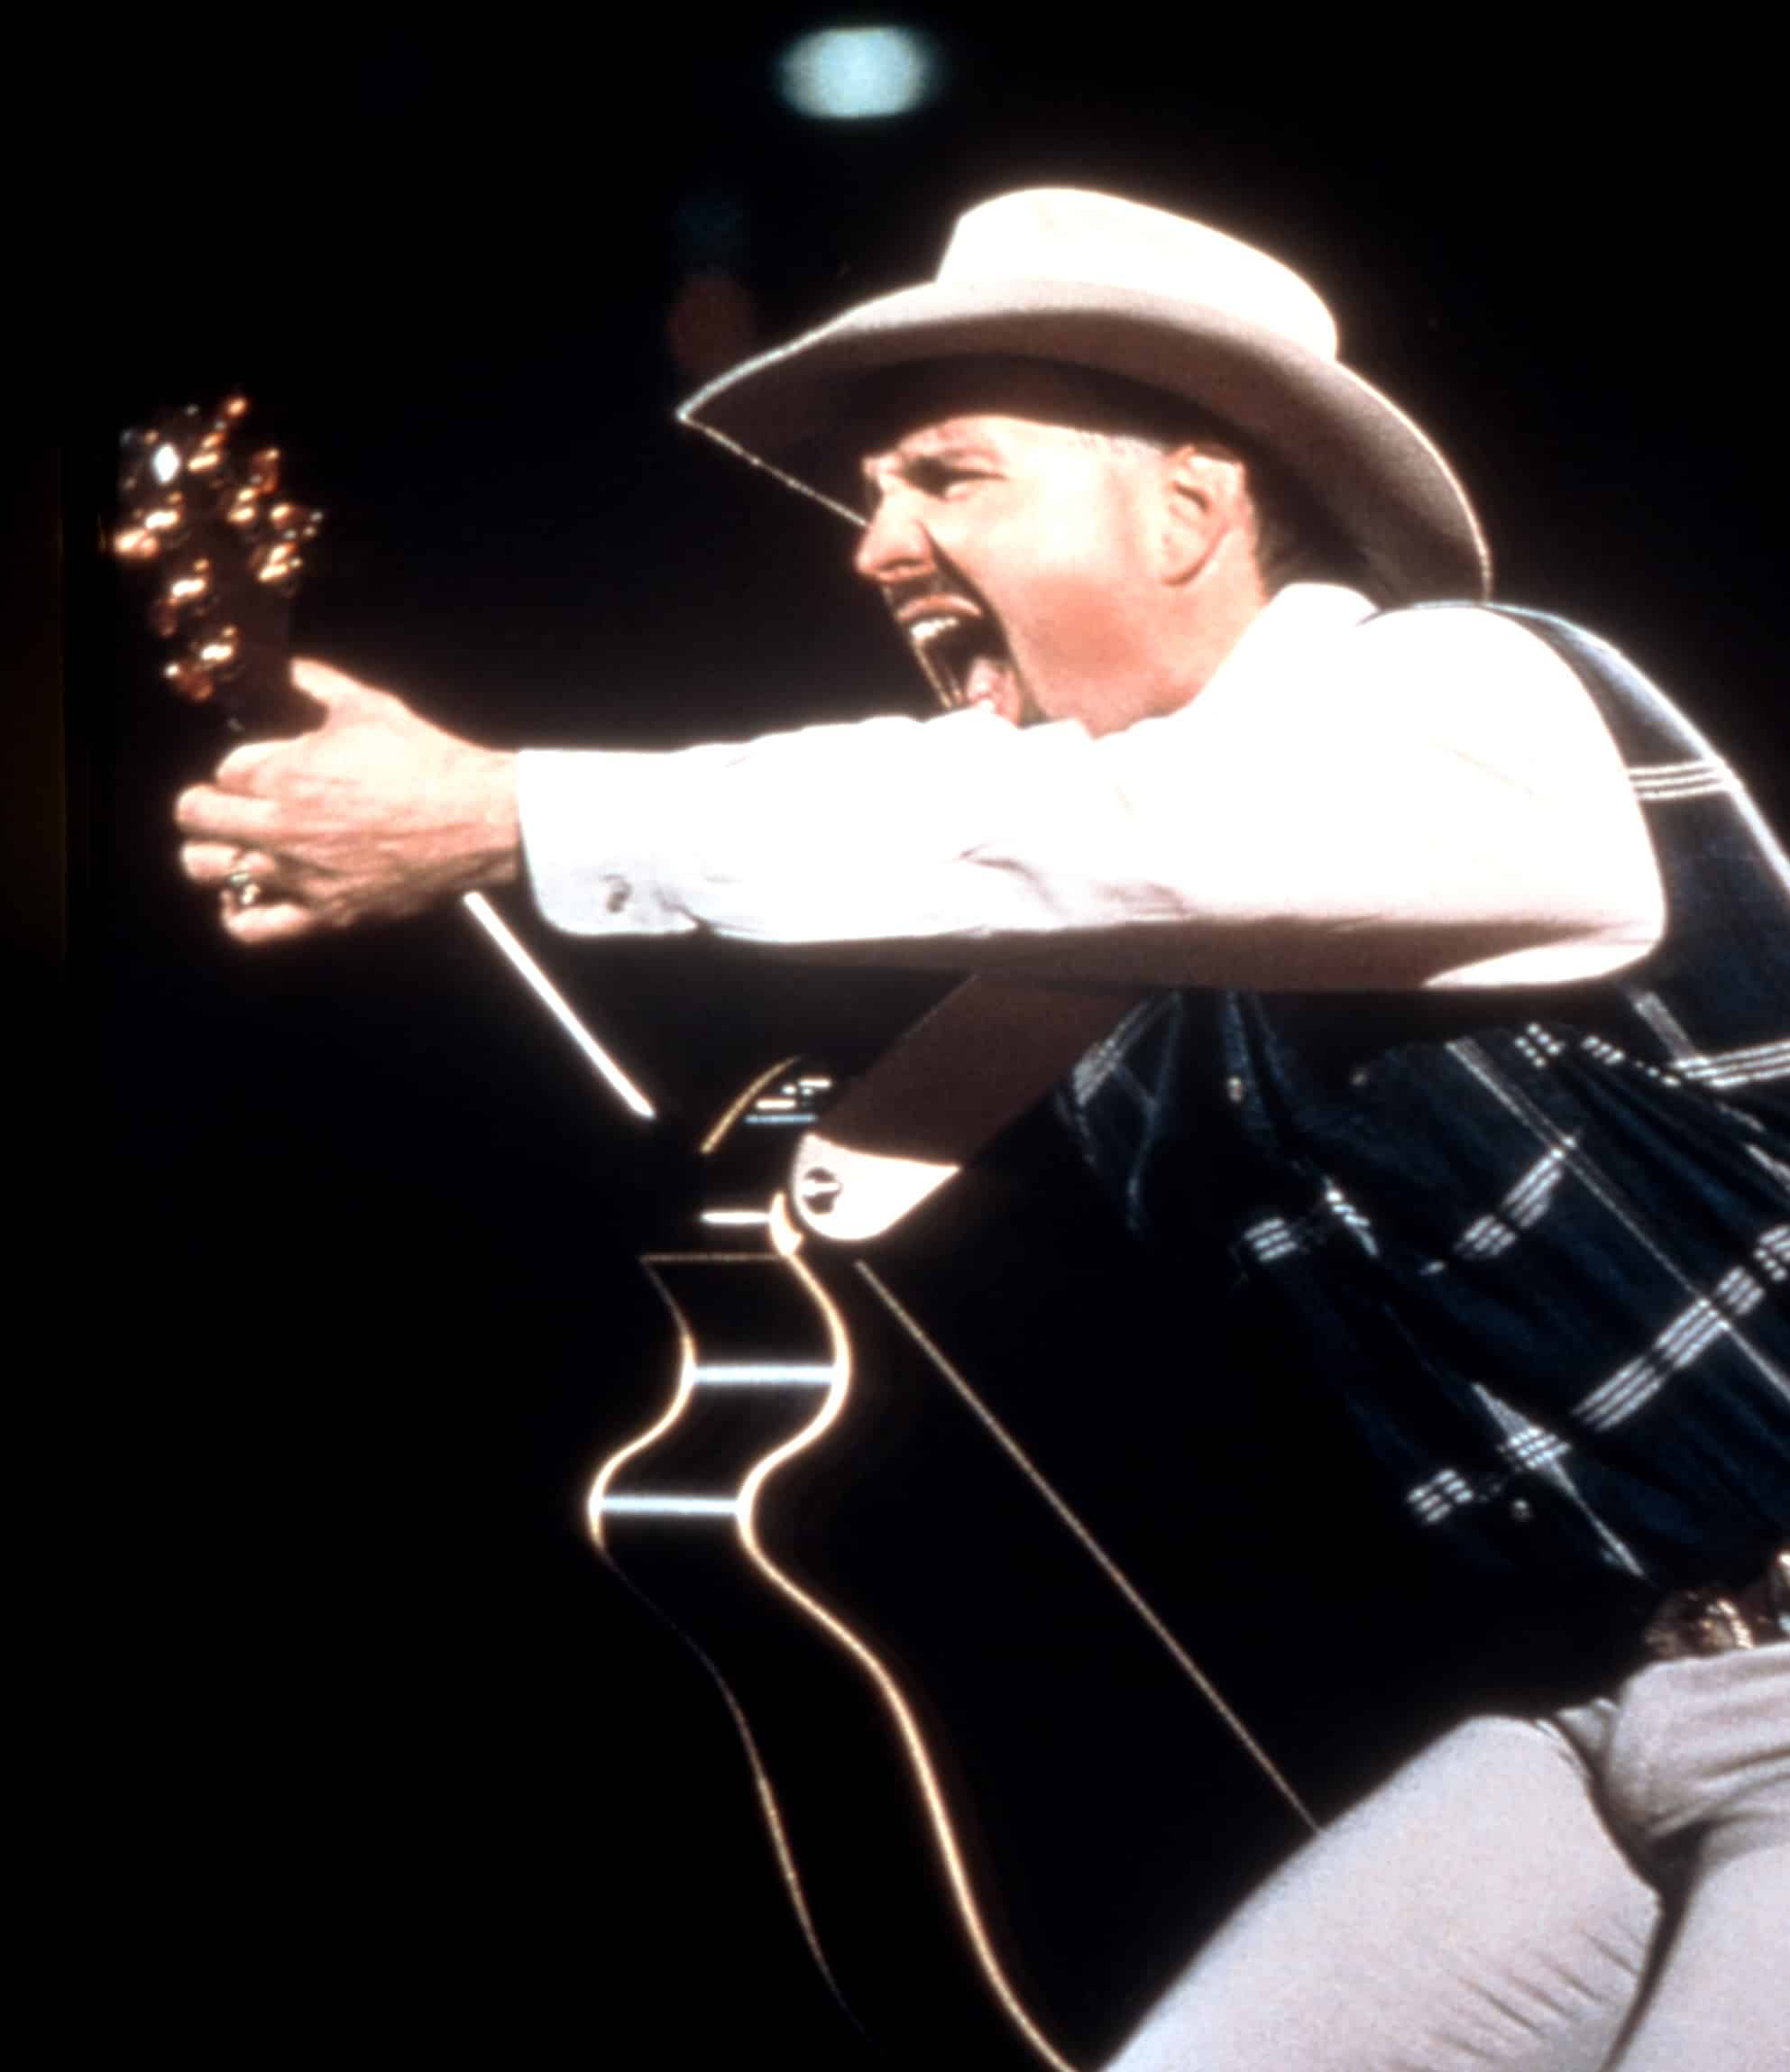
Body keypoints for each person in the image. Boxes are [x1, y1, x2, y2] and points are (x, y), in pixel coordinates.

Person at [173, 190, 1788, 2068]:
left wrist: (507, 812)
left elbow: (1046, 840)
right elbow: (858, 1073)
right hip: (1616, 1702)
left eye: (952, 476)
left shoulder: (1466, 706)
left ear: (1194, 506)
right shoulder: (1119, 927)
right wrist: (387, 822)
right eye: (876, 495)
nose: (876, 549)